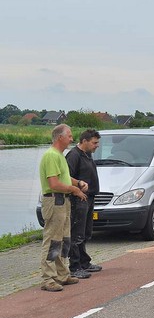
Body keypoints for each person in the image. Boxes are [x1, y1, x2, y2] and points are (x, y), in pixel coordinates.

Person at [39, 124, 88, 292]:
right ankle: (48, 278)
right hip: (55, 201)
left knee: (64, 240)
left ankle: (61, 274)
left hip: (63, 201)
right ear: (60, 137)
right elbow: (54, 183)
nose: (72, 139)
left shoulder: (60, 156)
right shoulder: (51, 156)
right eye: (69, 135)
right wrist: (75, 190)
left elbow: (64, 178)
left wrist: (78, 183)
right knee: (52, 240)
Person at [66, 129, 103, 279]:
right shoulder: (74, 155)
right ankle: (74, 266)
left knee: (86, 232)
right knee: (77, 234)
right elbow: (66, 176)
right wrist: (77, 190)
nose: (97, 146)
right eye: (94, 143)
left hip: (89, 198)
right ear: (84, 141)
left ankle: (84, 262)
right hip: (79, 199)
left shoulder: (87, 155)